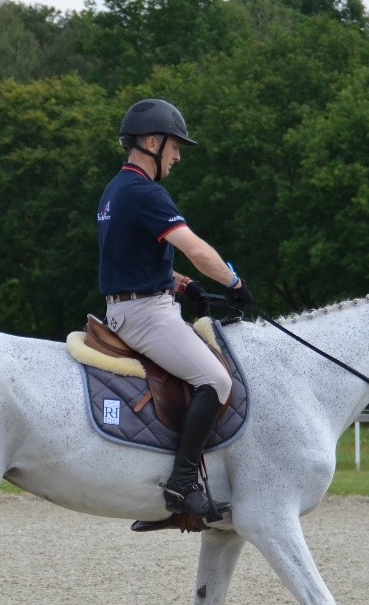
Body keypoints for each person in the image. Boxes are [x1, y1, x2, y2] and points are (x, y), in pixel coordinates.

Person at [97, 98, 256, 522]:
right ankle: (181, 486)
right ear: (152, 142)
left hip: (133, 306)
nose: (179, 155)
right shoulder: (147, 192)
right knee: (216, 379)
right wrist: (233, 283)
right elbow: (197, 249)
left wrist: (182, 284)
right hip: (146, 315)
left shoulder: (115, 190)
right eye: (175, 146)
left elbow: (130, 262)